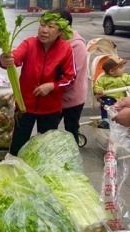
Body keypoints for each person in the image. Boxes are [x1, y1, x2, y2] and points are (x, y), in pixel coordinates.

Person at [0, 11, 76, 156]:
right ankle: (14, 169)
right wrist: (5, 60)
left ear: (60, 31)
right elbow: (16, 56)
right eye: (42, 25)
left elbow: (70, 78)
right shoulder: (29, 44)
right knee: (18, 145)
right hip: (24, 107)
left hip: (50, 110)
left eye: (50, 26)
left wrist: (52, 86)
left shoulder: (66, 49)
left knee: (45, 149)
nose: (44, 30)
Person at [53, 9, 87, 145]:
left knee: (71, 127)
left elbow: (73, 74)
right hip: (57, 94)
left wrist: (51, 87)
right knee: (50, 128)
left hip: (73, 97)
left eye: (53, 25)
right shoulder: (56, 40)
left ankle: (73, 157)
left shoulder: (77, 45)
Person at [93, 56, 130, 129]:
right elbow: (97, 86)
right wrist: (99, 90)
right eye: (121, 68)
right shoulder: (103, 79)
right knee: (106, 104)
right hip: (110, 97)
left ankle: (125, 119)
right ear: (112, 71)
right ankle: (106, 120)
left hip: (122, 99)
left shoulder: (125, 77)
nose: (123, 69)